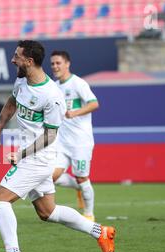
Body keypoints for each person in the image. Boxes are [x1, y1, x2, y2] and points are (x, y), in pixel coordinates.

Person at [0, 40, 115, 252]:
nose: (13, 59)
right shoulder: (21, 81)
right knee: (48, 212)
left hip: (37, 159)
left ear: (29, 61)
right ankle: (101, 232)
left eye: (17, 56)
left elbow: (50, 135)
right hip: (33, 158)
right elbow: (10, 104)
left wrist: (22, 154)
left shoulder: (52, 95)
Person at [50, 50, 99, 222]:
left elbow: (94, 104)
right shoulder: (54, 87)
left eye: (58, 63)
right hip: (61, 142)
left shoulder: (78, 83)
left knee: (82, 177)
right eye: (53, 64)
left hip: (80, 142)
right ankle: (79, 188)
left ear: (67, 64)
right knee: (51, 176)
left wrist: (76, 112)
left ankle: (88, 214)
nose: (55, 66)